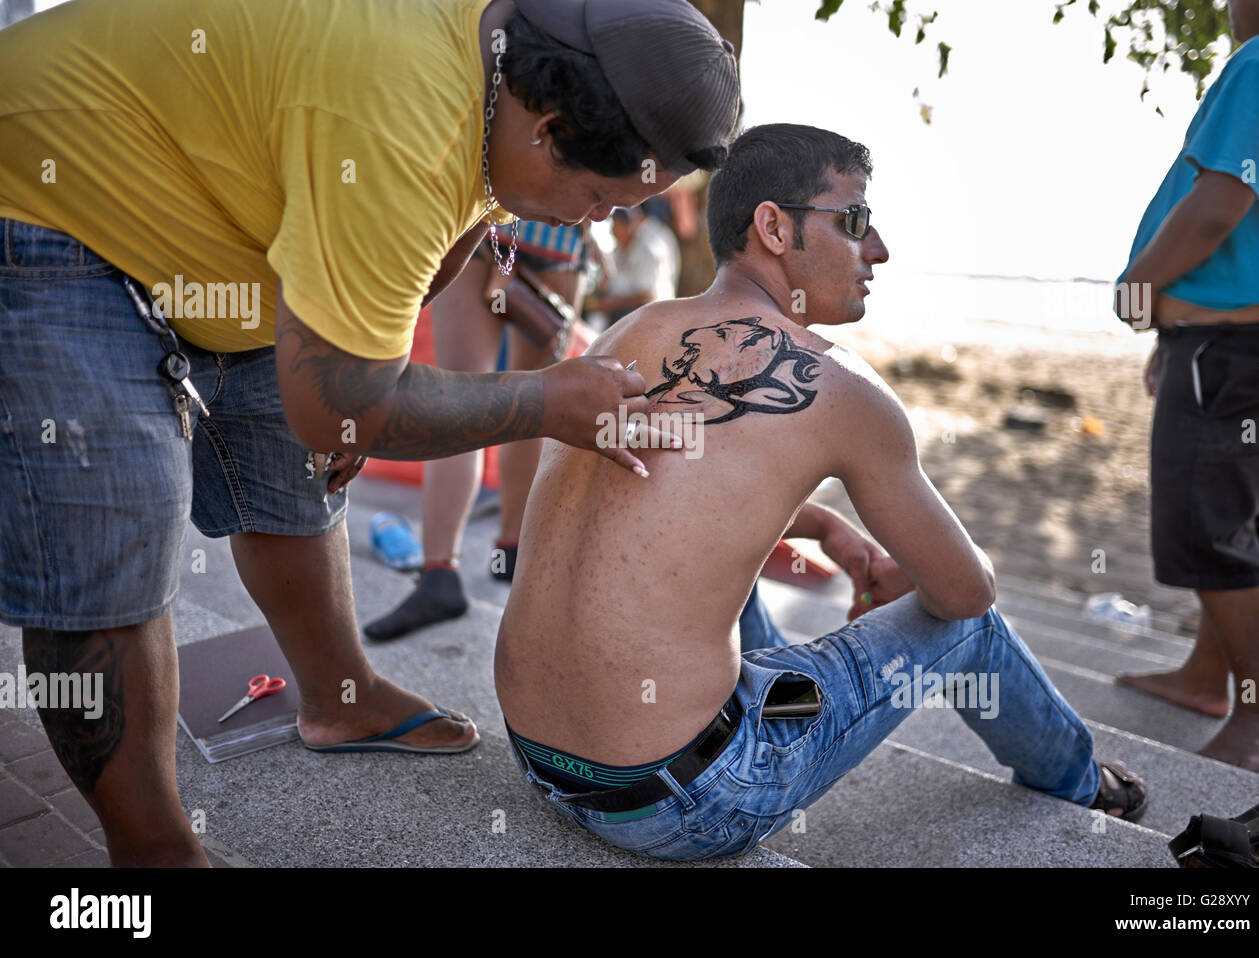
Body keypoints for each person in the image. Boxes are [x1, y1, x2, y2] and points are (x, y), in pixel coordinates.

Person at [0, 0, 738, 865]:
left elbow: (465, 218)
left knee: (292, 460)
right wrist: (538, 400)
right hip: (47, 192)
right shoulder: (400, 117)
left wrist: (367, 386)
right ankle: (153, 845)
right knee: (119, 521)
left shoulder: (515, 52)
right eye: (606, 197)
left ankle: (337, 697)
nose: (601, 221)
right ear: (548, 128)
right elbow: (343, 391)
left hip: (221, 212)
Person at [494, 123, 1147, 861]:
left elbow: (688, 481)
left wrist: (825, 527)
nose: (879, 250)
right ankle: (1083, 783)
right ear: (773, 226)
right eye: (856, 221)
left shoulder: (629, 333)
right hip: (685, 804)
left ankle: (771, 690)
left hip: (544, 763)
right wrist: (915, 586)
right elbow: (965, 594)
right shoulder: (841, 386)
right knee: (970, 626)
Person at [1113, 0, 1259, 771]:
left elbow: (1219, 207)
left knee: (1204, 526)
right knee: (1247, 516)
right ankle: (1205, 675)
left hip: (1237, 340)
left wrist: (1138, 291)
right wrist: (1174, 332)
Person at [363, 221, 590, 640]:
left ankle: (442, 572)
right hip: (554, 241)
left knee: (460, 398)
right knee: (531, 406)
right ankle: (509, 553)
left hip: (488, 233)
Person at [584, 206, 681, 327]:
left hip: (645, 314)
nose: (613, 231)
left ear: (628, 227)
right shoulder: (618, 251)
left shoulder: (647, 251)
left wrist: (612, 304)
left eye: (616, 226)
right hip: (621, 310)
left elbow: (647, 296)